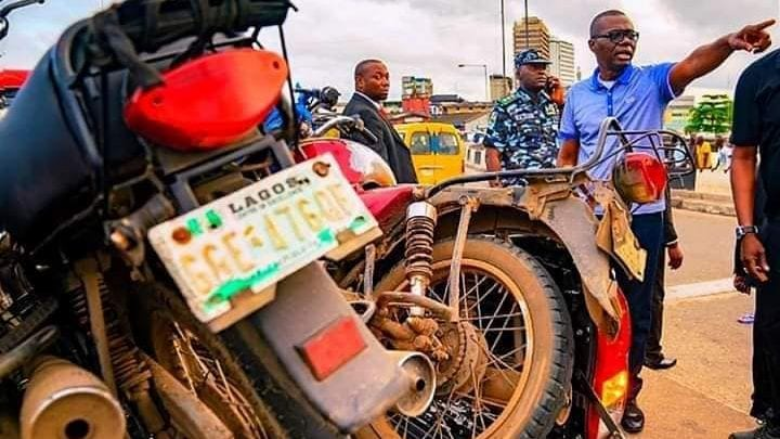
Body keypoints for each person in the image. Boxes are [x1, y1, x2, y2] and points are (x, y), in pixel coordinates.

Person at [556, 9, 773, 433]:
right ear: (593, 44)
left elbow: (692, 64)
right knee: (584, 306)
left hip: (643, 221)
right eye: (614, 35)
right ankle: (578, 390)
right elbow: (567, 156)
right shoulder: (578, 96)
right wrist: (567, 191)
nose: (626, 41)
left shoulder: (653, 82)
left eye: (631, 34)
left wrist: (728, 42)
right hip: (588, 218)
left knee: (636, 311)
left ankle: (628, 395)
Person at [729, 44, 780, 439]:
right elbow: (744, 157)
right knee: (773, 327)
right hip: (776, 226)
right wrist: (747, 232)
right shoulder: (758, 76)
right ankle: (775, 421)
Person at [483, 49, 564, 186]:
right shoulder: (506, 107)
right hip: (520, 190)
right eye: (533, 67)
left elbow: (568, 139)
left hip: (553, 187)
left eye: (543, 67)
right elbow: (492, 154)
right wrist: (498, 193)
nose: (541, 72)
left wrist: (561, 104)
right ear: (518, 73)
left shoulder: (552, 104)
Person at [343, 59, 417, 184]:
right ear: (360, 82)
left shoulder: (367, 109)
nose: (385, 83)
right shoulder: (364, 113)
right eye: (377, 78)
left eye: (387, 78)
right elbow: (377, 168)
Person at [644, 188, 684, 370]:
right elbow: (661, 202)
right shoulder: (652, 159)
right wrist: (672, 241)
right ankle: (651, 352)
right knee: (652, 294)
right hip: (646, 227)